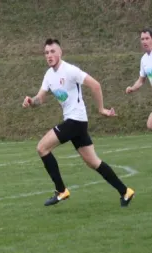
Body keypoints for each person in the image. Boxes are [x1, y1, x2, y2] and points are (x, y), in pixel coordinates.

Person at [22, 38, 135, 207]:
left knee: (42, 148)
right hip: (75, 122)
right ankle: (125, 191)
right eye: (46, 53)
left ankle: (61, 191)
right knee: (93, 162)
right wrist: (31, 101)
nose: (49, 55)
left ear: (60, 52)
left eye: (53, 51)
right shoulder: (48, 75)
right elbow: (41, 98)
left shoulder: (70, 70)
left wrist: (101, 109)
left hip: (76, 120)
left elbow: (95, 85)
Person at [125, 27, 152, 131]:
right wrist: (132, 88)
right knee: (150, 124)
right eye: (142, 39)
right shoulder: (144, 59)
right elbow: (141, 80)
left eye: (147, 38)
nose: (144, 41)